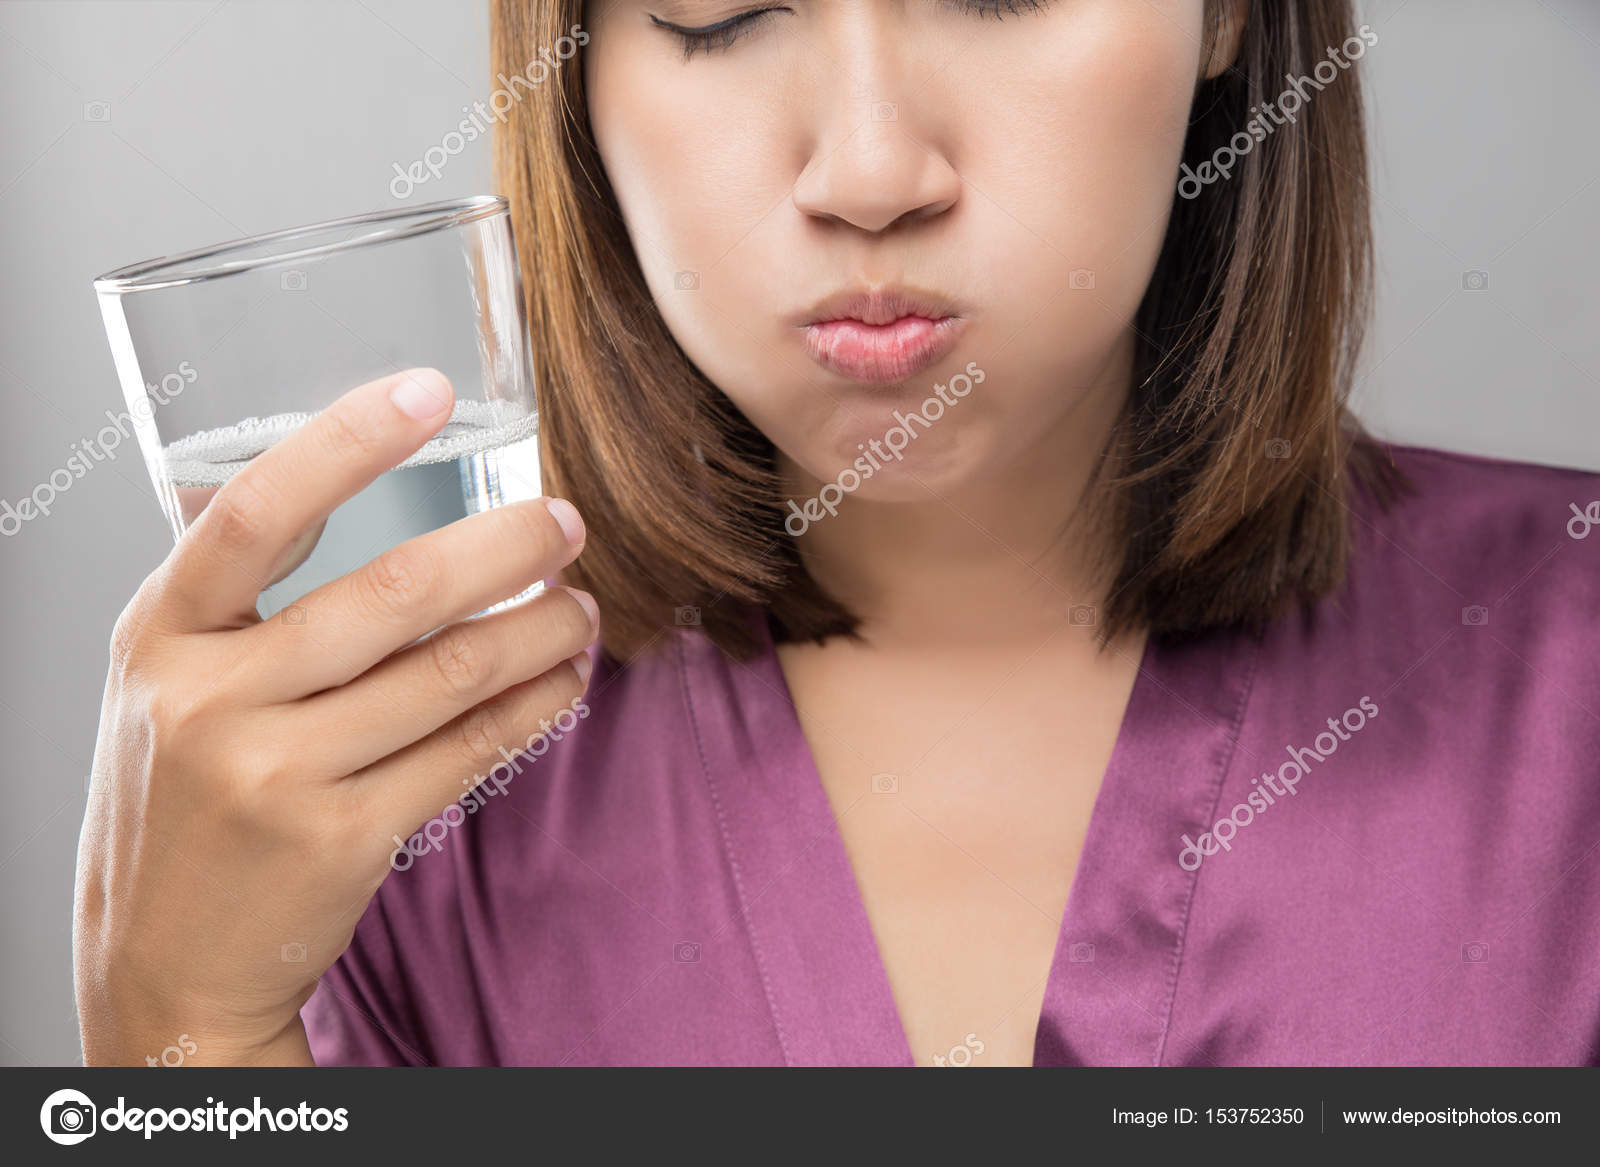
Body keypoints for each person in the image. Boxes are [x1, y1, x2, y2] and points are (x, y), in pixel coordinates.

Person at [76, 0, 1600, 1067]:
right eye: (719, 14)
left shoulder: (1569, 682)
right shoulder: (399, 815)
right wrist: (176, 1036)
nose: (870, 173)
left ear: (1229, 20)